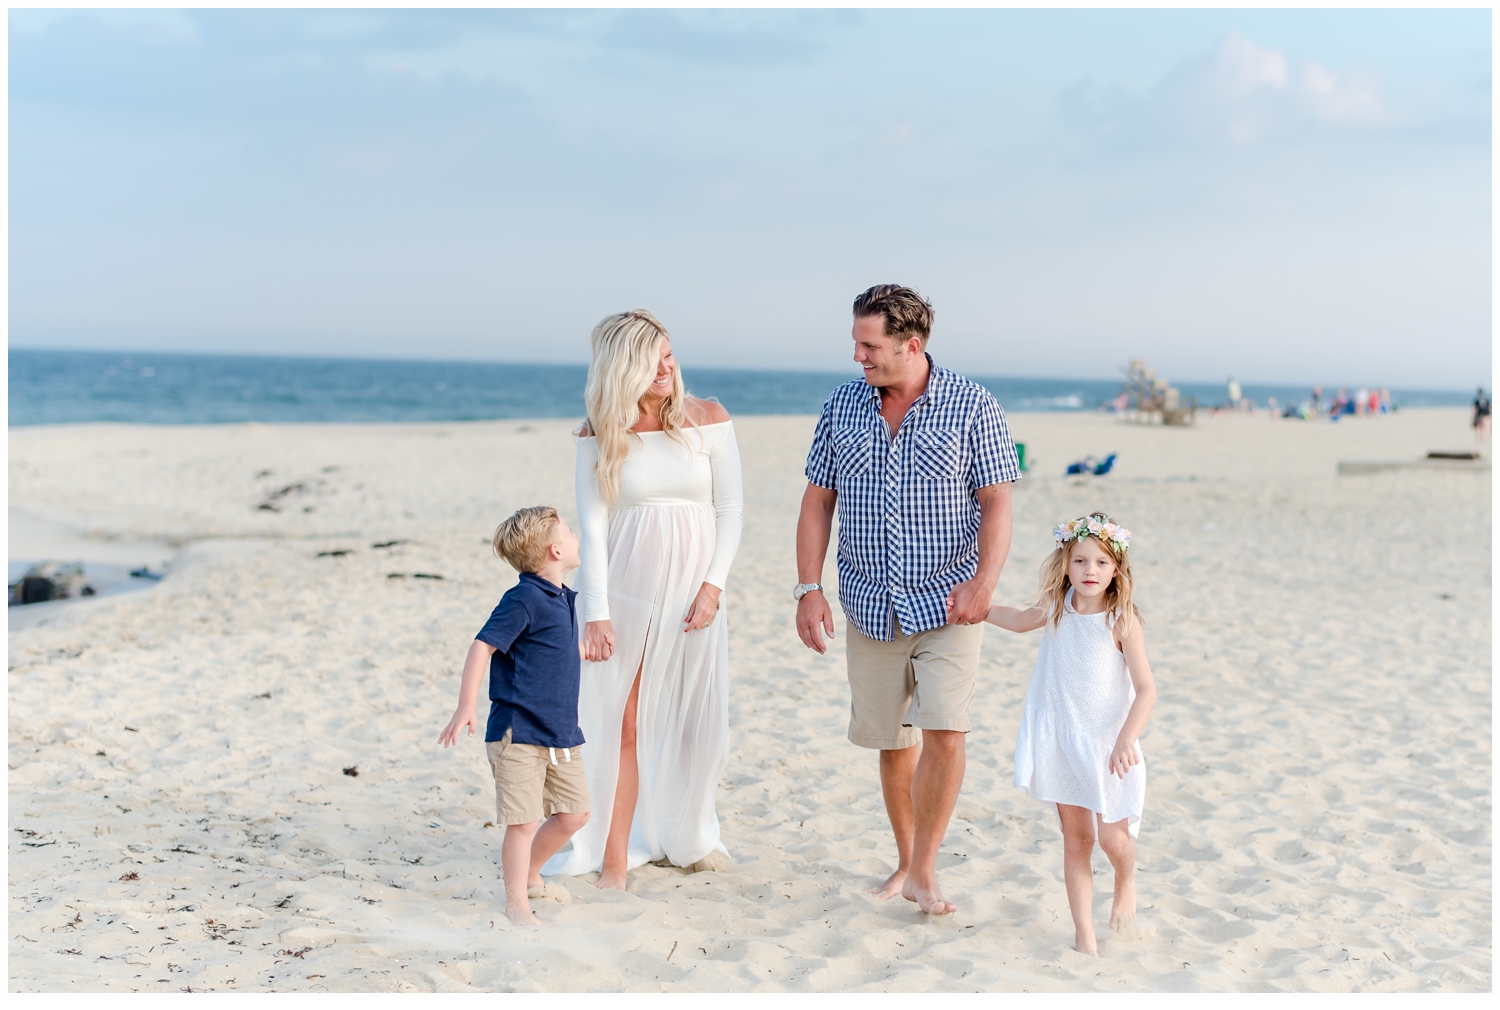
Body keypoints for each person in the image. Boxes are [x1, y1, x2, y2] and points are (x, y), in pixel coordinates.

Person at [796, 284, 1019, 915]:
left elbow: (998, 500)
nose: (859, 357)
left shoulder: (973, 405)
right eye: (857, 344)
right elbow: (818, 499)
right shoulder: (842, 405)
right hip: (868, 602)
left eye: (870, 346)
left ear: (910, 345)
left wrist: (984, 584)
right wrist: (810, 589)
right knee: (894, 742)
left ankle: (925, 869)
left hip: (948, 601)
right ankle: (905, 857)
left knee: (945, 730)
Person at [546, 309, 743, 889]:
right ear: (622, 367)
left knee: (692, 722)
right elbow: (594, 526)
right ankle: (612, 856)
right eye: (652, 359)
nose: (667, 367)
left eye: (669, 354)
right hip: (625, 589)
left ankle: (686, 833)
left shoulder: (707, 418)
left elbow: (730, 511)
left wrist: (713, 586)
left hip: (694, 593)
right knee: (621, 720)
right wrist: (596, 613)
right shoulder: (599, 432)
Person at [983, 512, 1156, 956]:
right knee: (1077, 838)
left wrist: (1125, 740)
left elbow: (1147, 690)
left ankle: (1125, 880)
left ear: (1116, 568)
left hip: (1109, 746)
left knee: (1113, 839)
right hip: (1064, 741)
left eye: (1100, 562)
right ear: (1065, 565)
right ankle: (1085, 935)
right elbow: (1020, 619)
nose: (1089, 571)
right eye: (1080, 561)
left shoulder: (1122, 620)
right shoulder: (1057, 608)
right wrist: (975, 609)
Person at [438, 506, 590, 927]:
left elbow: (555, 650)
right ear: (556, 549)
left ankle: (530, 874)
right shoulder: (522, 598)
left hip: (560, 730)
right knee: (523, 822)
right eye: (571, 534)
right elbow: (482, 646)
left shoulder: (566, 599)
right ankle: (516, 902)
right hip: (518, 731)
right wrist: (466, 706)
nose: (577, 539)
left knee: (574, 814)